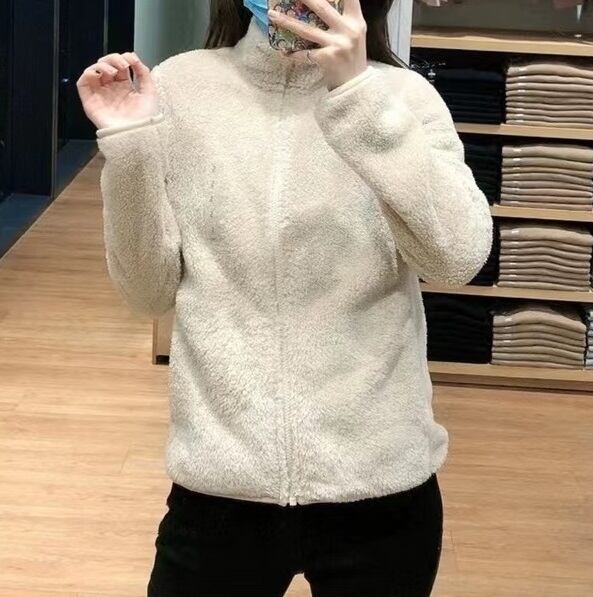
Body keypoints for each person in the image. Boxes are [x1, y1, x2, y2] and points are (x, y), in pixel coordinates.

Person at [77, 0, 493, 595]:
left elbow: (457, 258)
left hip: (379, 486)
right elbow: (148, 292)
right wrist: (130, 145)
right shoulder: (180, 87)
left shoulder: (404, 97)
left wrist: (356, 94)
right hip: (221, 486)